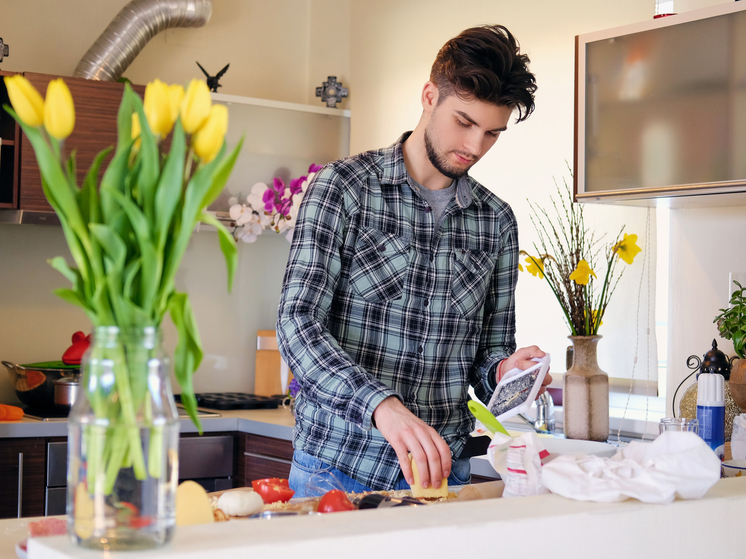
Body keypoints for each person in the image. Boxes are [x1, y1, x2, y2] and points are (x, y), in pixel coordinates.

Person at [277, 24, 550, 497]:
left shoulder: (497, 222)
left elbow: (487, 354)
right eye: (464, 122)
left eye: (492, 133)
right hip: (334, 473)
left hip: (440, 481)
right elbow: (297, 324)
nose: (475, 147)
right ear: (429, 95)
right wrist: (382, 405)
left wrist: (505, 373)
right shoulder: (343, 189)